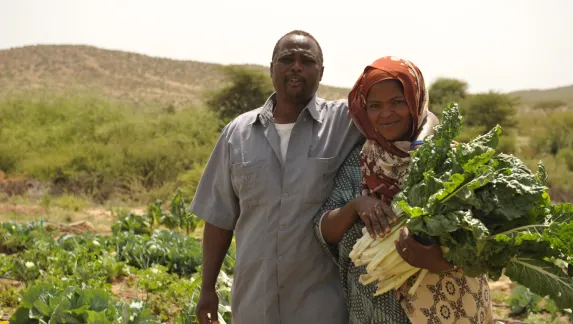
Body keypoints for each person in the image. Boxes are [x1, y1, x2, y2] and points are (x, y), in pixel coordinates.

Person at [190, 30, 364, 324]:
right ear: (272, 69)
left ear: (320, 72)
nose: (296, 66)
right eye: (287, 59)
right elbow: (219, 218)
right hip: (254, 306)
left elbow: (416, 112)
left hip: (323, 309)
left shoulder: (346, 122)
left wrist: (424, 139)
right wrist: (207, 289)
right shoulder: (238, 134)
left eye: (306, 61)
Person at [313, 56, 494, 323]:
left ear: (415, 100)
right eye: (375, 105)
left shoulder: (452, 160)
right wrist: (355, 207)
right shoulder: (360, 161)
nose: (386, 113)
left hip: (451, 309)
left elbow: (488, 240)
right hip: (372, 312)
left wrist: (441, 263)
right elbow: (323, 230)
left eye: (397, 102)